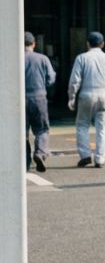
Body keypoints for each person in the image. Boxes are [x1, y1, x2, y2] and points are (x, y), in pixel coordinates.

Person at [67, 32, 105, 168]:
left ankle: (85, 155)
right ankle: (100, 158)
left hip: (86, 95)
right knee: (102, 128)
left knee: (82, 126)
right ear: (102, 44)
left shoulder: (81, 58)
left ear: (87, 44)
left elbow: (74, 81)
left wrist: (71, 97)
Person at [24, 32, 55, 173]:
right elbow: (51, 79)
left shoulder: (14, 59)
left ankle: (24, 161)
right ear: (34, 44)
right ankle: (40, 153)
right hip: (39, 97)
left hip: (19, 98)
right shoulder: (43, 59)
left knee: (22, 131)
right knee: (42, 129)